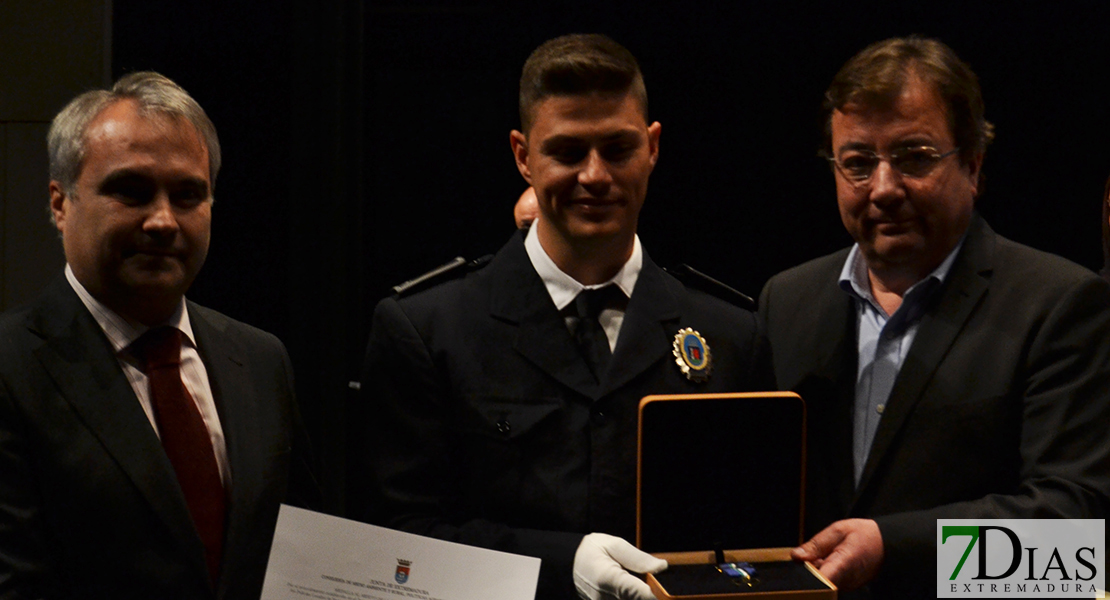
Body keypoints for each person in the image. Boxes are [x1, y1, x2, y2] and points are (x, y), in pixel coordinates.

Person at [356, 34, 768, 600]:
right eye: (568, 152)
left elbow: (755, 542)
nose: (595, 176)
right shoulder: (429, 330)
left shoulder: (731, 332)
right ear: (523, 156)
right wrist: (560, 564)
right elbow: (394, 546)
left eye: (617, 149)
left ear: (652, 148)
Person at [759, 37, 1110, 598]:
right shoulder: (786, 301)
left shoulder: (1061, 304)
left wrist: (890, 551)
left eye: (914, 158)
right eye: (857, 163)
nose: (883, 188)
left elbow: (1078, 547)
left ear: (973, 165)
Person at [0, 72, 317, 599]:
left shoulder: (262, 361)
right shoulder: (11, 368)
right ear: (60, 204)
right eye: (132, 191)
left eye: (188, 194)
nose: (164, 221)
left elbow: (304, 556)